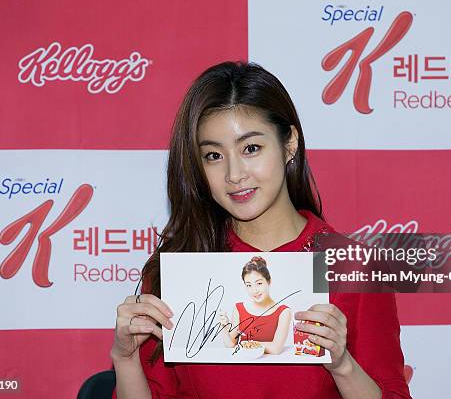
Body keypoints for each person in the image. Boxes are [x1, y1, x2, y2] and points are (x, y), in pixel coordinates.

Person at [110, 61, 412, 399]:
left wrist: (341, 364)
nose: (234, 174)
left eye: (251, 148)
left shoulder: (354, 266)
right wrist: (125, 359)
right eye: (213, 155)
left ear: (290, 144)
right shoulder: (178, 268)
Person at [218, 255, 291, 355]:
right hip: (244, 363)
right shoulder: (239, 308)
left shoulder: (284, 311)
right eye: (249, 285)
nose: (254, 290)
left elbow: (276, 349)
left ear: (269, 282)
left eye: (259, 283)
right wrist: (223, 326)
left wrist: (246, 345)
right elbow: (231, 344)